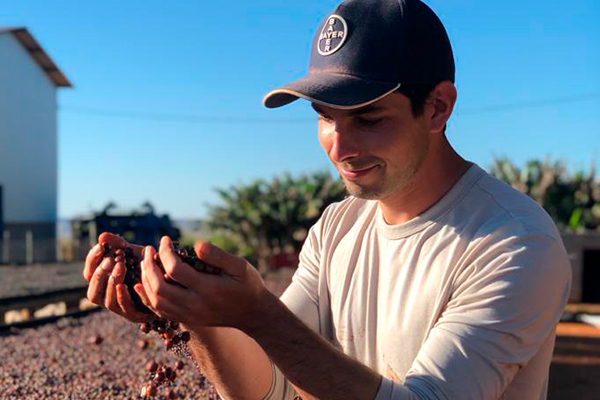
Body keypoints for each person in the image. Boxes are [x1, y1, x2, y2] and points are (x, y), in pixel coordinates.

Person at [83, 0, 572, 399]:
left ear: (438, 107)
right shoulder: (338, 227)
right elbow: (273, 389)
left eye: (368, 118)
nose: (337, 146)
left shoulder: (513, 243)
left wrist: (258, 313)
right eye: (324, 117)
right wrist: (192, 316)